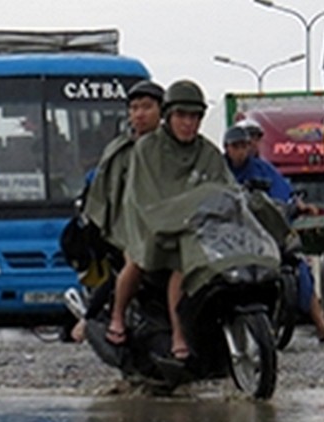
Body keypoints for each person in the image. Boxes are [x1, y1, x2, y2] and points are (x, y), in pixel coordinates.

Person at [108, 79, 233, 360]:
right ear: (169, 116)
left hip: (194, 228)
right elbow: (143, 196)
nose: (188, 123)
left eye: (194, 117)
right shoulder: (147, 149)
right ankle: (121, 317)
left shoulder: (208, 152)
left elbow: (226, 188)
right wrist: (170, 216)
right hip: (147, 225)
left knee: (192, 261)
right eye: (181, 116)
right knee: (140, 262)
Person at [224, 124, 324, 343]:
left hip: (264, 234)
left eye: (247, 144)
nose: (242, 150)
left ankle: (322, 327)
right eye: (236, 146)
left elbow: (284, 196)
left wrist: (297, 206)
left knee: (300, 267)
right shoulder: (219, 170)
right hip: (230, 238)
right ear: (226, 148)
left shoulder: (263, 169)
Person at [70, 80, 164, 340]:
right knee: (133, 263)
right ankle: (111, 318)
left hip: (168, 220)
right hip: (127, 225)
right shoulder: (120, 150)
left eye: (147, 107)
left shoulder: (172, 147)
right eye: (134, 108)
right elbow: (105, 191)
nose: (139, 114)